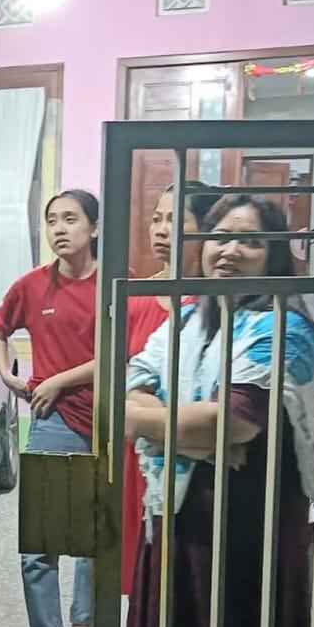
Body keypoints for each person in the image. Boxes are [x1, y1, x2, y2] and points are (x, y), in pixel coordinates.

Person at [121, 194, 314, 627]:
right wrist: (186, 433)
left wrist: (156, 423)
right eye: (219, 236)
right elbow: (126, 391)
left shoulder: (286, 328)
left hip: (249, 525)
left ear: (276, 256)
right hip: (181, 508)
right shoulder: (187, 322)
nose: (229, 250)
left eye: (250, 240)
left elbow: (235, 422)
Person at [0, 189, 100, 627]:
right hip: (54, 421)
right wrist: (8, 375)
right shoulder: (33, 286)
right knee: (42, 538)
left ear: (94, 228)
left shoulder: (116, 282)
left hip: (111, 421)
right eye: (52, 220)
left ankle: (85, 626)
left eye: (70, 219)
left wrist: (58, 378)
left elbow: (126, 347)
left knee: (96, 534)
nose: (59, 229)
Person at [121, 182, 221, 595]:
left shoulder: (217, 303)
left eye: (176, 220)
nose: (161, 229)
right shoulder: (136, 298)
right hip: (143, 452)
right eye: (157, 219)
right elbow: (124, 379)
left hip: (201, 456)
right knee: (147, 567)